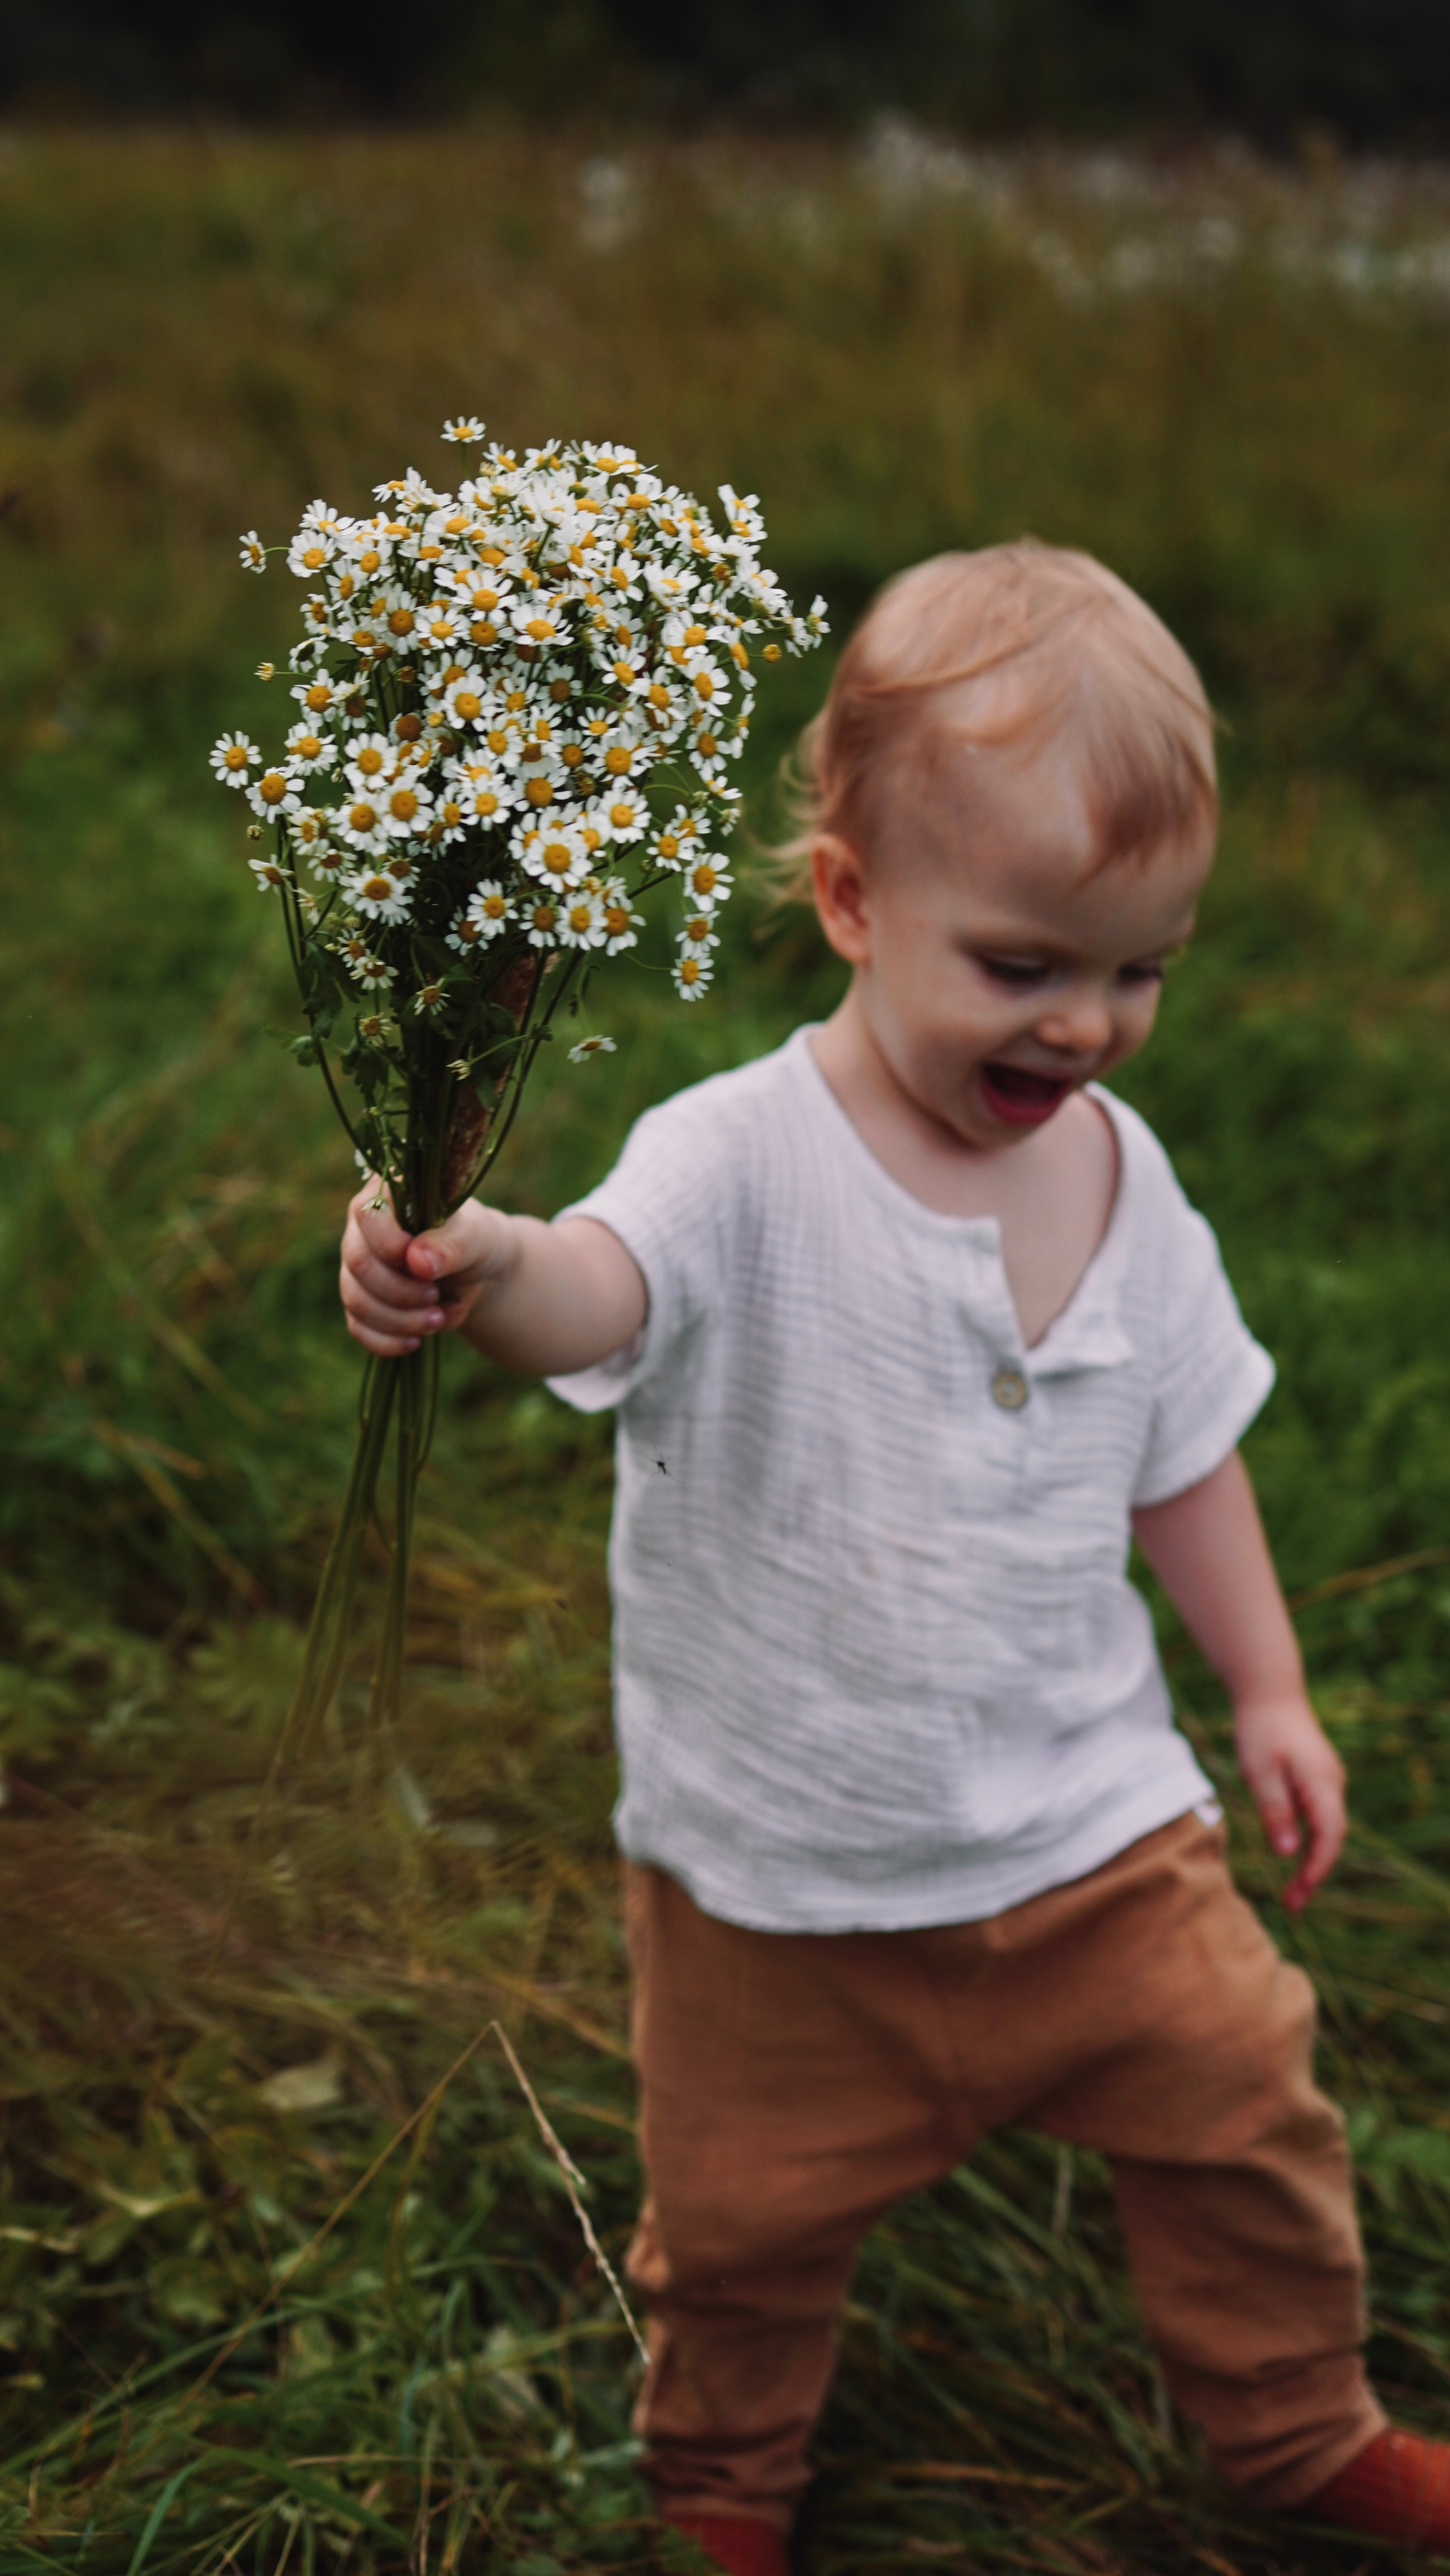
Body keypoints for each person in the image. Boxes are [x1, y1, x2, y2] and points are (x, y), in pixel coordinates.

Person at [338, 545, 1450, 2576]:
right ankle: (727, 2490)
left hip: (1089, 1836)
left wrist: (1268, 1687)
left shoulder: (1124, 1178)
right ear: (852, 902)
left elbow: (1182, 1451)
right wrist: (484, 1263)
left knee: (1248, 2106)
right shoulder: (735, 1155)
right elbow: (602, 1294)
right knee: (744, 2230)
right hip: (780, 1875)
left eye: (1139, 972)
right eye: (1022, 965)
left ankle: (1298, 2428)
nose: (1087, 1027)